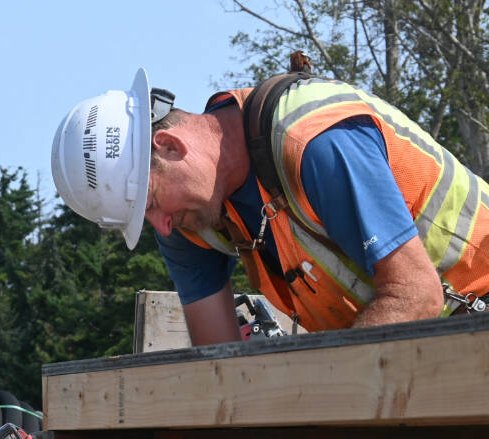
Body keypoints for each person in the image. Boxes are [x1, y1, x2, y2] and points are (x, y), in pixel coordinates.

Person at [50, 67, 489, 345]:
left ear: (168, 146)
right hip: (418, 349)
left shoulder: (312, 143)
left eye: (150, 204)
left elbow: (416, 295)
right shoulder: (190, 221)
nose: (161, 228)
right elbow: (218, 364)